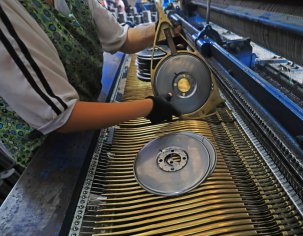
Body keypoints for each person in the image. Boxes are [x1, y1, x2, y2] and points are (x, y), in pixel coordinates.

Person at [0, 0, 180, 167]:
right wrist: (150, 105)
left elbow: (123, 39)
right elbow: (62, 117)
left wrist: (166, 28)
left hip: (87, 111)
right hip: (47, 148)